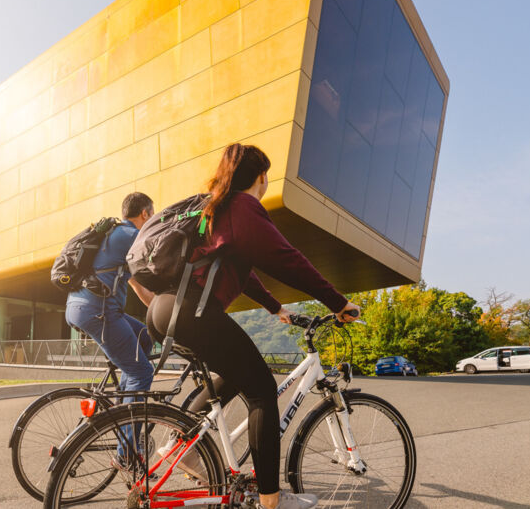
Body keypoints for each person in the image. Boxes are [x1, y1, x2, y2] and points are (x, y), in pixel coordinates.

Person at [146, 144, 360, 509]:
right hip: (192, 311)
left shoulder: (217, 206)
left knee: (235, 373)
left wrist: (276, 308)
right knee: (262, 390)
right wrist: (339, 303)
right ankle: (270, 500)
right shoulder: (244, 207)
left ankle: (182, 446)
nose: (265, 184)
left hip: (164, 309)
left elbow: (243, 273)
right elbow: (287, 259)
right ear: (261, 177)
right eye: (267, 178)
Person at [64, 191, 157, 472]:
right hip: (98, 311)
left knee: (144, 338)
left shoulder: (115, 236)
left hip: (87, 307)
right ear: (145, 214)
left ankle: (124, 403)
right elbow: (159, 268)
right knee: (142, 372)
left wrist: (158, 308)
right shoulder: (131, 235)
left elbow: (138, 285)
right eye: (151, 215)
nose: (151, 220)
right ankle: (126, 453)